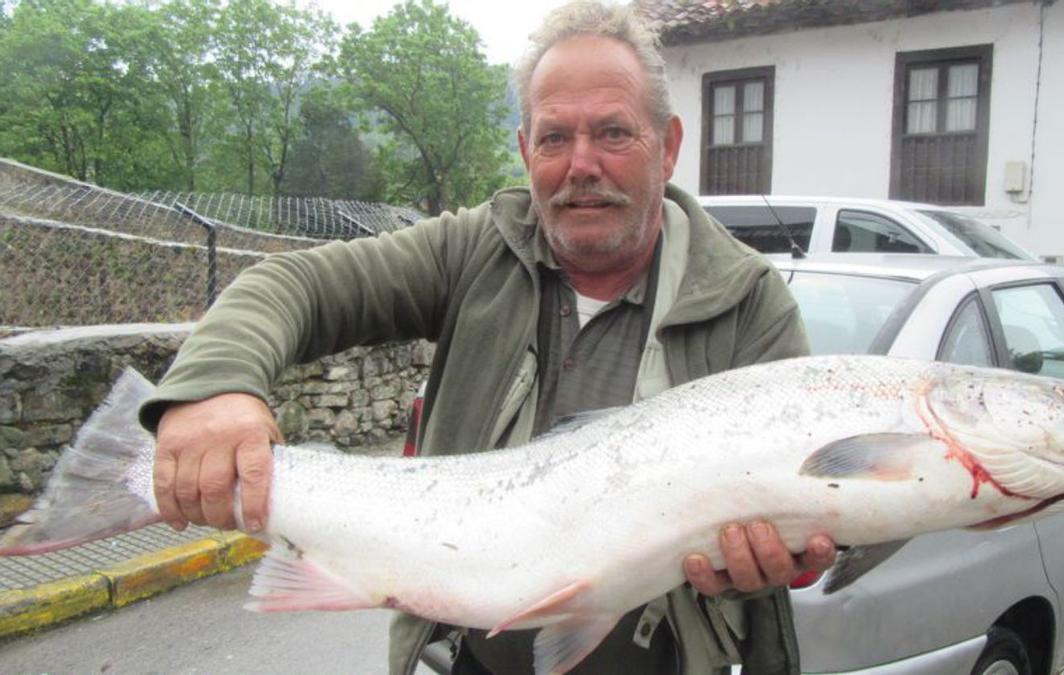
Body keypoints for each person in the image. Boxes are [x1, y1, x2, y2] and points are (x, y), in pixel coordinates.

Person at [140, 2, 836, 673]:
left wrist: (769, 566)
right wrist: (216, 384)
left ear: (669, 146)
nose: (581, 163)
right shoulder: (474, 251)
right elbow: (291, 286)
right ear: (525, 149)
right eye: (555, 137)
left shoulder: (749, 302)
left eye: (614, 133)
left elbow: (797, 527)